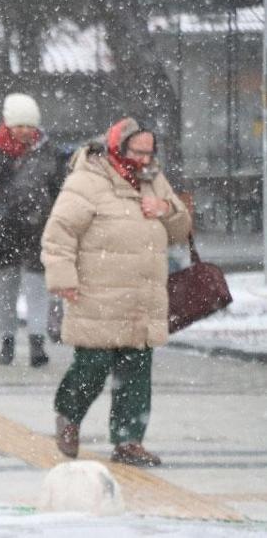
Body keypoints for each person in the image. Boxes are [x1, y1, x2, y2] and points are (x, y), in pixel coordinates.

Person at [42, 117, 192, 467]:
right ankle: (69, 414)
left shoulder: (154, 180)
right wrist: (62, 277)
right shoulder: (88, 181)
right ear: (117, 148)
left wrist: (167, 210)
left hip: (143, 296)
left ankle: (129, 441)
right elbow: (59, 232)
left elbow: (181, 229)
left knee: (136, 372)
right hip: (97, 294)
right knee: (92, 366)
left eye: (149, 153)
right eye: (137, 152)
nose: (144, 159)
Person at [0, 93, 65, 367]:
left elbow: (59, 189)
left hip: (38, 230)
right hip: (2, 232)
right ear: (8, 124)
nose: (25, 131)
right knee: (5, 290)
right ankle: (7, 339)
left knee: (38, 289)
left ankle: (37, 342)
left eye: (30, 125)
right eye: (19, 125)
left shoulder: (49, 152)